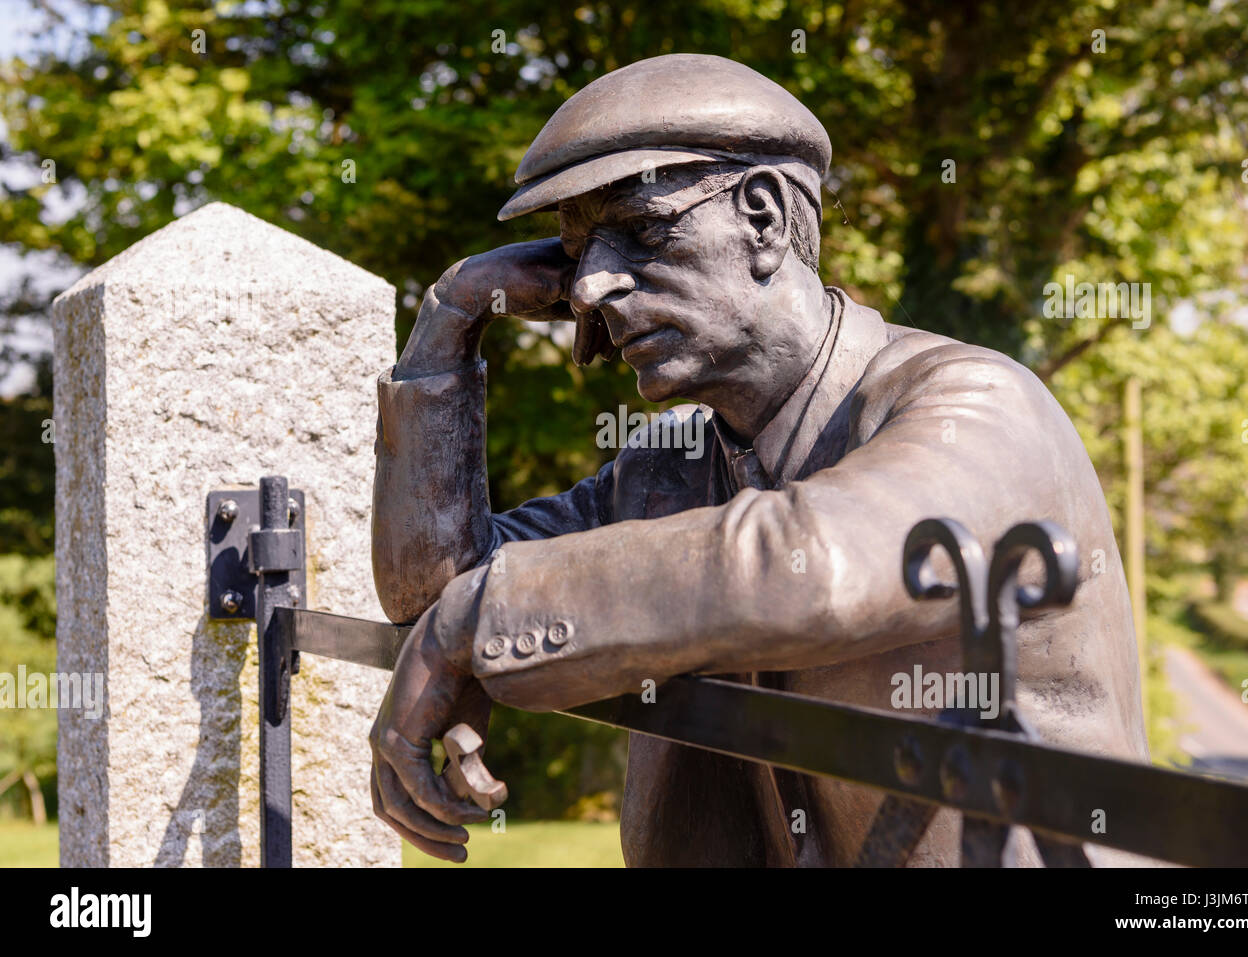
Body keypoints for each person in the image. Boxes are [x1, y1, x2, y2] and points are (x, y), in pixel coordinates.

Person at [367, 53, 1148, 866]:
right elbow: (429, 592)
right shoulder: (667, 470)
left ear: (765, 219)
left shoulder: (979, 404)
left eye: (639, 231)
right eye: (574, 256)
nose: (589, 289)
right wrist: (453, 316)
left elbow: (822, 567)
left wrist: (476, 621)